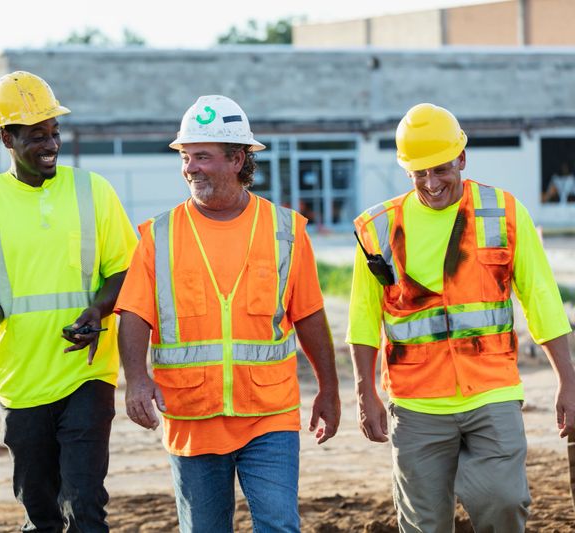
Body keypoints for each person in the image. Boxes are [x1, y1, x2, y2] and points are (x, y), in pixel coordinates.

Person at [116, 95, 341, 532]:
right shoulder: (158, 235)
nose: (190, 167)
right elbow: (134, 314)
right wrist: (137, 380)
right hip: (193, 415)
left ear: (237, 159)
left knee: (279, 525)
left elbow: (310, 315)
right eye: (186, 157)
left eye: (202, 156)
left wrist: (329, 389)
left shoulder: (286, 231)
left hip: (268, 413)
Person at [348, 103, 575, 532]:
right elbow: (363, 316)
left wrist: (569, 378)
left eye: (440, 170)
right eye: (419, 174)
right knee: (425, 523)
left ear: (461, 160)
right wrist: (364, 393)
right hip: (416, 402)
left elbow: (541, 298)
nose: (430, 184)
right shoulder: (378, 228)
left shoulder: (503, 212)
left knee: (504, 502)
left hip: (491, 390)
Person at [0, 71, 137, 531]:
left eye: (54, 132)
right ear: (6, 137)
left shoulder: (93, 191)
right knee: (42, 513)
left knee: (85, 506)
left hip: (86, 372)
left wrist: (99, 309)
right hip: (21, 379)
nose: (50, 143)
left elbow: (124, 269)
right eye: (37, 135)